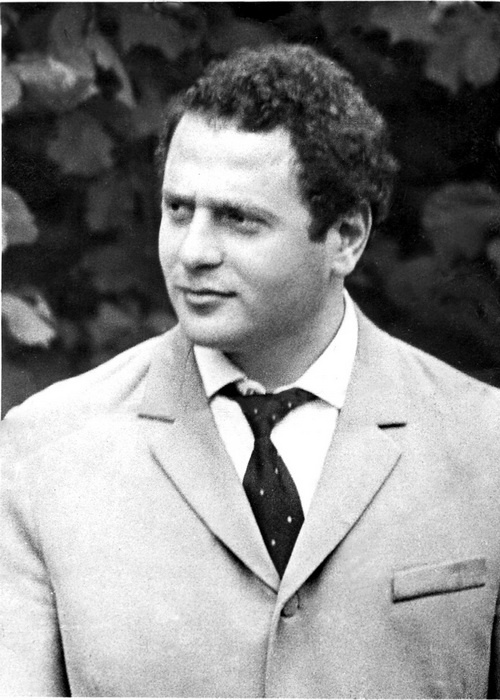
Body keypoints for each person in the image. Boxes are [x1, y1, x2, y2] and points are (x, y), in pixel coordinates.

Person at [1, 43, 500, 698]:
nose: (193, 252)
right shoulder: (45, 450)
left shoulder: (485, 443)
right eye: (178, 210)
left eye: (238, 219)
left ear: (346, 237)